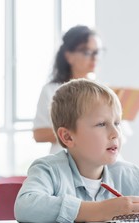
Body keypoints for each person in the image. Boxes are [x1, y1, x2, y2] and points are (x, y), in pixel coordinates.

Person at [15, 79, 139, 223]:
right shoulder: (49, 170)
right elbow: (25, 206)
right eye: (101, 124)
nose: (115, 133)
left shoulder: (130, 174)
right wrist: (98, 210)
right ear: (68, 137)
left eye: (117, 123)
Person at [33, 25, 102, 154]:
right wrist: (79, 131)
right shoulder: (51, 90)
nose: (94, 58)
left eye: (96, 52)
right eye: (87, 52)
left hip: (99, 163)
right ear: (69, 56)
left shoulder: (103, 91)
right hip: (64, 161)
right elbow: (39, 134)